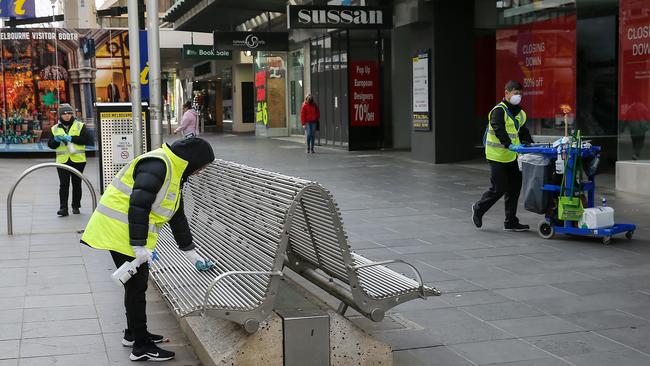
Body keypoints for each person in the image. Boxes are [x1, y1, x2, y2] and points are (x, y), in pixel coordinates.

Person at [81, 138, 216, 362]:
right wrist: (138, 244)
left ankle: (134, 333)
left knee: (135, 286)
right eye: (202, 167)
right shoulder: (158, 166)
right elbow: (138, 206)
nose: (201, 172)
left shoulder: (174, 171)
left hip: (126, 231)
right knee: (136, 287)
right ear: (193, 160)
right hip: (119, 231)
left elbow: (177, 214)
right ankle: (141, 346)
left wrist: (190, 251)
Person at [472, 80, 533, 231]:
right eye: (515, 93)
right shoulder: (498, 110)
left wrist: (529, 143)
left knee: (514, 188)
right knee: (499, 188)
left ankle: (510, 221)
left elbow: (523, 130)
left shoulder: (520, 112)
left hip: (513, 156)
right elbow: (499, 130)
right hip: (496, 155)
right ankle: (478, 208)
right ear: (506, 93)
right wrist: (509, 144)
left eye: (520, 94)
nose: (518, 96)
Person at [47, 103, 93, 217]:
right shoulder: (54, 128)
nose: (67, 116)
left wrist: (71, 138)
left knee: (77, 183)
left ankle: (76, 205)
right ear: (60, 115)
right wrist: (56, 140)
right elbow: (51, 145)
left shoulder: (80, 125)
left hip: (78, 160)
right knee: (64, 184)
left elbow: (86, 140)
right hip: (62, 160)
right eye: (64, 114)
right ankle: (63, 208)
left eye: (69, 113)